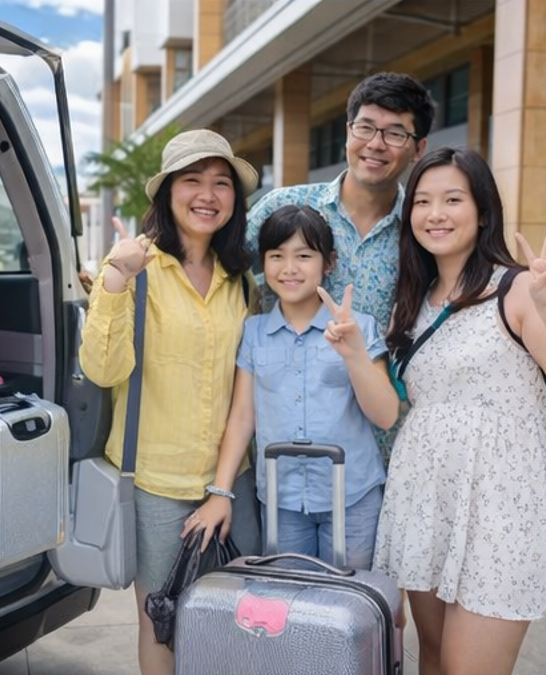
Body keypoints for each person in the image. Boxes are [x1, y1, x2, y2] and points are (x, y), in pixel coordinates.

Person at [372, 147, 546, 675]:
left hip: (505, 505)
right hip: (426, 497)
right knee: (431, 656)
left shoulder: (516, 287)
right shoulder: (413, 299)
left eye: (453, 199)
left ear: (482, 211)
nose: (436, 213)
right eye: (424, 201)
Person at [79, 129, 263, 675]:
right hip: (157, 482)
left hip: (232, 480)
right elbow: (102, 370)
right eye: (193, 181)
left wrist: (223, 488)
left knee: (238, 619)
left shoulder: (242, 281)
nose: (208, 195)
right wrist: (116, 280)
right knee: (162, 621)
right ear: (167, 193)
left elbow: (243, 391)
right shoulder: (134, 266)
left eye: (221, 183)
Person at [184, 205, 399, 569]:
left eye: (303, 255)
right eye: (276, 256)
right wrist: (220, 493)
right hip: (281, 500)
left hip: (353, 498)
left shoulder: (358, 326)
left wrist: (354, 354)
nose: (289, 268)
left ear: (327, 263)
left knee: (348, 609)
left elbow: (386, 415)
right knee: (290, 608)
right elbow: (241, 418)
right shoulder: (254, 332)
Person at [246, 71, 436, 463]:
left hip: (380, 449)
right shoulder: (282, 208)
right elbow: (215, 265)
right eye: (365, 127)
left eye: (395, 133)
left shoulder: (422, 231)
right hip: (282, 446)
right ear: (348, 132)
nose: (375, 144)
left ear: (418, 149)